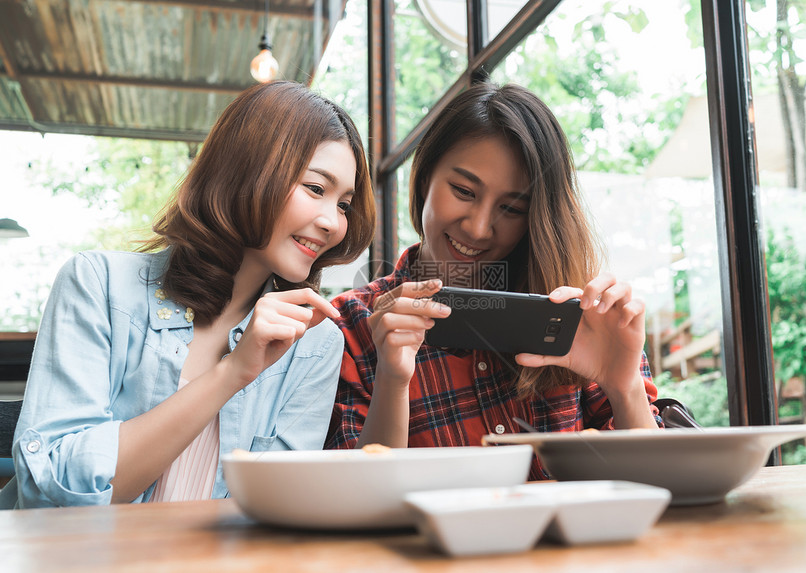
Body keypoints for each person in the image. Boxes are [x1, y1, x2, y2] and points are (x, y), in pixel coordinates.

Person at [0, 81, 375, 509]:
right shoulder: (98, 285)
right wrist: (231, 373)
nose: (334, 222)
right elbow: (52, 494)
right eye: (315, 188)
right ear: (246, 172)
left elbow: (280, 508)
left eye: (344, 203)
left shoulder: (314, 341)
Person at [326, 82, 660, 479]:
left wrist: (624, 386)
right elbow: (357, 496)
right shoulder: (349, 324)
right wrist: (393, 383)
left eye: (512, 208)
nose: (480, 228)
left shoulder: (580, 314)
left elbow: (654, 484)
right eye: (464, 191)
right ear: (423, 178)